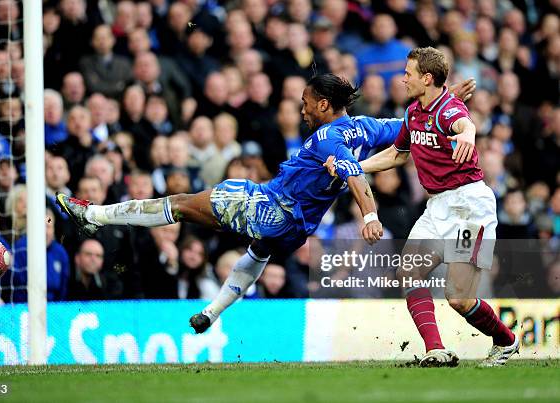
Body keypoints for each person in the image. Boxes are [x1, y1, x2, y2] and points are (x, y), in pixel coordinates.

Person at [57, 73, 474, 334]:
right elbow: (409, 126)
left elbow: (355, 176)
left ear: (324, 105)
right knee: (258, 251)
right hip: (296, 230)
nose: (303, 108)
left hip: (268, 207)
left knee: (182, 203)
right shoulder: (364, 126)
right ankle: (213, 313)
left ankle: (92, 215)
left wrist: (369, 214)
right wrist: (442, 100)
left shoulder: (328, 138)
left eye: (308, 103)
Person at [334, 47, 518, 368]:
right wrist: (355, 166)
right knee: (409, 270)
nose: (403, 78)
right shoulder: (414, 112)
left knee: (458, 297)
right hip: (437, 207)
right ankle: (436, 349)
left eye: (408, 73)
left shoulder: (448, 109)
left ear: (427, 78)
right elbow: (397, 154)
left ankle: (506, 341)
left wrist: (470, 135)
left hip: (468, 209)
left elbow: (464, 124)